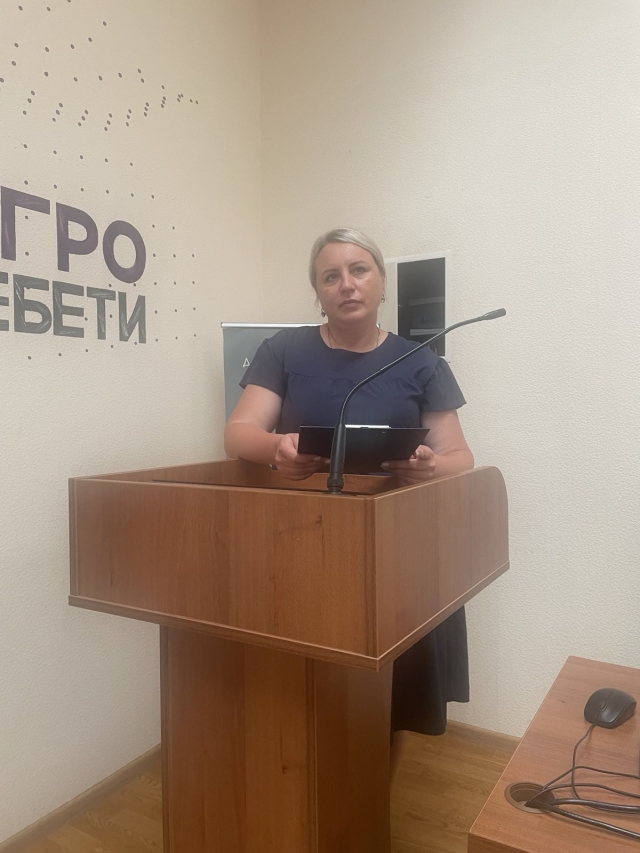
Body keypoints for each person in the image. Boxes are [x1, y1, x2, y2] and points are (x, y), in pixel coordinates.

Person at [224, 227, 474, 737]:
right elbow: (237, 434)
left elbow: (460, 458)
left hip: (398, 545)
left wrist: (429, 466)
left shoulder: (422, 360)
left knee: (387, 694)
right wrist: (277, 448)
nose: (347, 284)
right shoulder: (284, 350)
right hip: (305, 540)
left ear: (381, 282)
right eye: (330, 276)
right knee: (311, 689)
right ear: (317, 292)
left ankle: (379, 753)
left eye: (359, 270)